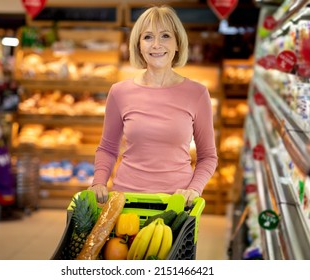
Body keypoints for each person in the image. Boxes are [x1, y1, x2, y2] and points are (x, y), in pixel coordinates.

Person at [88, 5, 218, 206]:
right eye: (148, 37)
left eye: (165, 36)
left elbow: (208, 156)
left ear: (177, 43)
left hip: (177, 204)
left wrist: (194, 189)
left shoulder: (197, 94)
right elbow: (107, 148)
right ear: (139, 45)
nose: (156, 44)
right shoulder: (119, 92)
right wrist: (99, 182)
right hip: (126, 200)